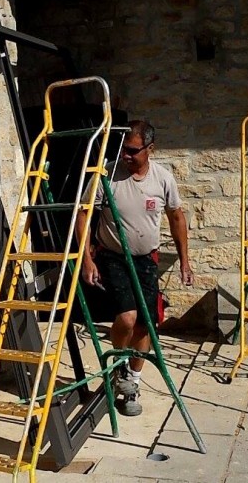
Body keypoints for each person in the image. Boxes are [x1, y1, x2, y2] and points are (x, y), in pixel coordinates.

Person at [76, 119, 193, 416]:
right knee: (127, 318)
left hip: (145, 259)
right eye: (123, 150)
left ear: (150, 149)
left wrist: (185, 261)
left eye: (133, 151)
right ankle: (119, 368)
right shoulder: (106, 175)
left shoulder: (162, 179)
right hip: (113, 256)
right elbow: (84, 214)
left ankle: (133, 382)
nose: (126, 156)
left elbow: (176, 218)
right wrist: (86, 259)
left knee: (146, 323)